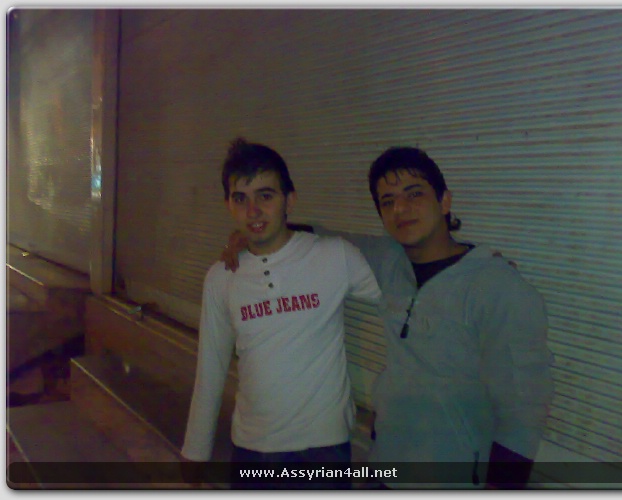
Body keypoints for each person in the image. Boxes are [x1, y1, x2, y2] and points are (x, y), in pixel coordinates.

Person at [222, 146, 554, 489]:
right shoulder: (388, 261)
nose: (401, 208)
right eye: (388, 201)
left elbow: (524, 406)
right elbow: (322, 237)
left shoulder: (497, 286)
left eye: (414, 194)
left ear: (444, 201)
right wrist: (256, 232)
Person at [181, 138, 381, 489]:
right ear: (228, 205)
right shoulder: (222, 277)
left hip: (325, 450)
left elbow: (400, 294)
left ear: (290, 200)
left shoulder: (333, 257)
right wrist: (195, 451)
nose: (253, 211)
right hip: (253, 450)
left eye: (265, 196)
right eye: (240, 199)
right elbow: (211, 366)